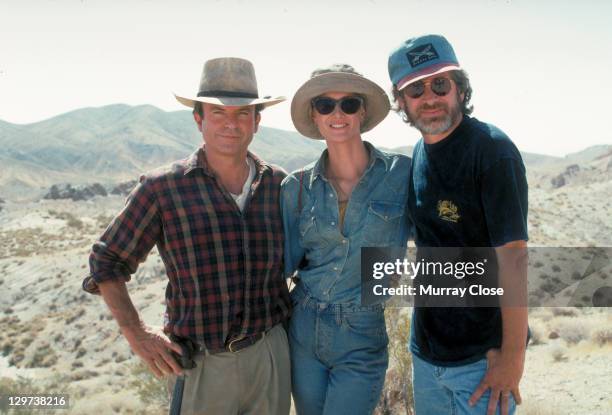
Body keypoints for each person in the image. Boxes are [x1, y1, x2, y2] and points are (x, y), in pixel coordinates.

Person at [82, 57, 291, 415]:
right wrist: (137, 333)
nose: (231, 123)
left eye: (243, 114)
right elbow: (106, 262)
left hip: (269, 355)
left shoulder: (280, 185)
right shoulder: (163, 188)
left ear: (257, 121)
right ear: (198, 119)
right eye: (217, 113)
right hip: (202, 365)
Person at [388, 34, 529, 415]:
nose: (429, 97)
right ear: (400, 102)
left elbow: (514, 259)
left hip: (481, 362)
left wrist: (513, 358)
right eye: (415, 89)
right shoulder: (420, 153)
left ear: (459, 88)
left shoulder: (492, 152)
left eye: (440, 84)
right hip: (427, 354)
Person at [281, 64, 411, 415]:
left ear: (363, 111)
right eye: (325, 105)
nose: (337, 114)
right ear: (314, 114)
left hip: (361, 331)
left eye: (349, 104)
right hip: (303, 327)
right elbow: (282, 266)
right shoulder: (294, 188)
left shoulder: (402, 175)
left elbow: (441, 236)